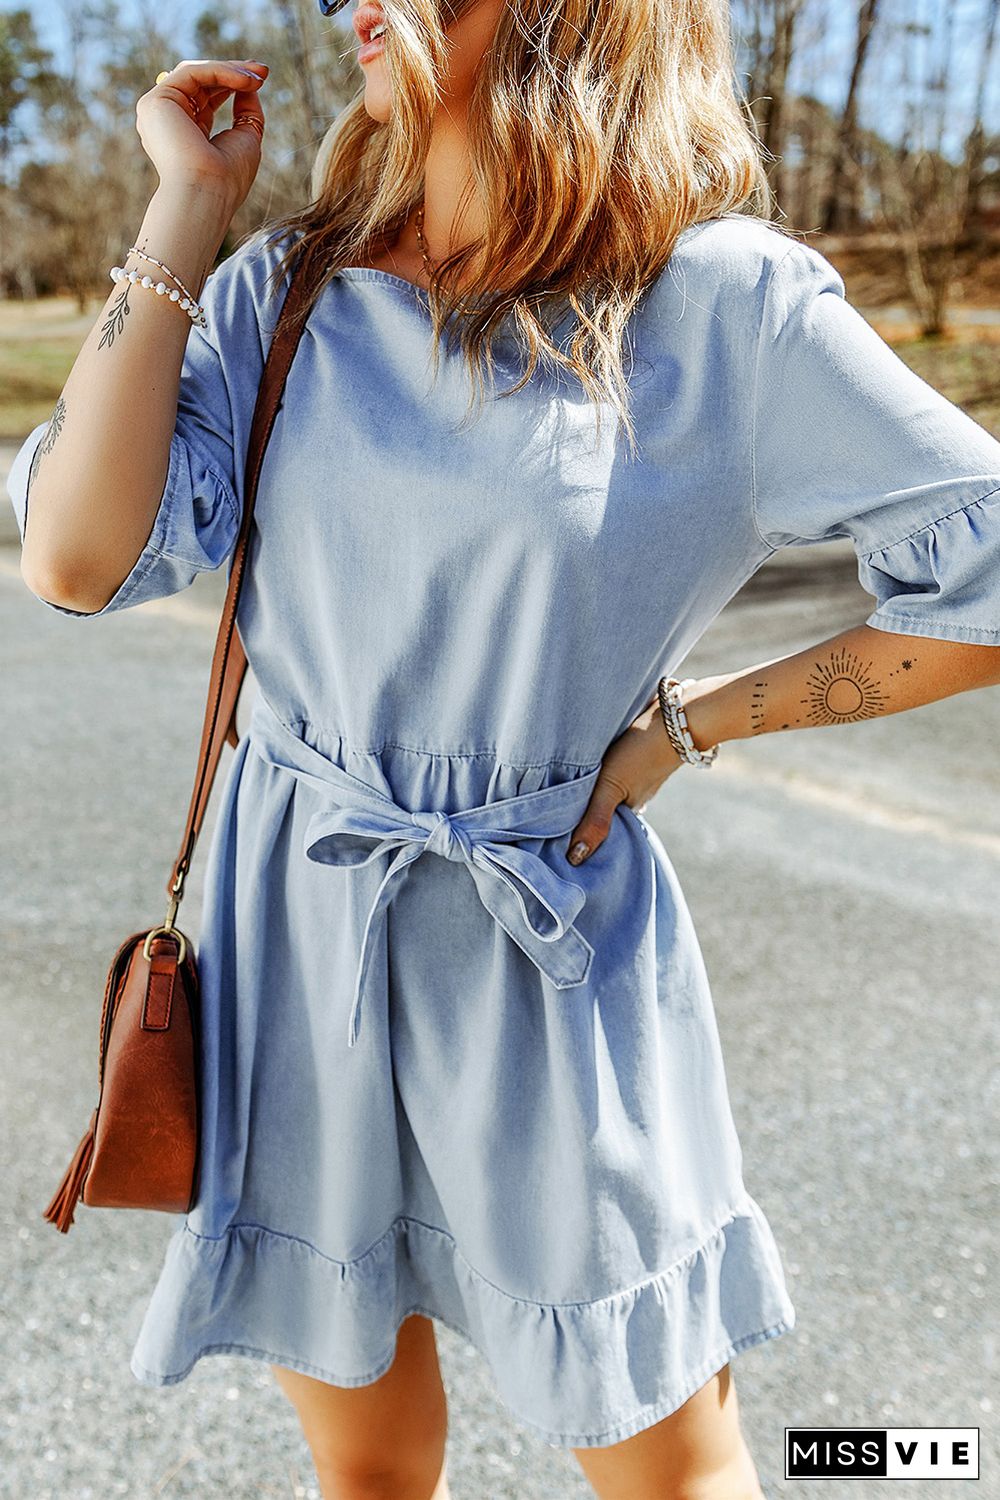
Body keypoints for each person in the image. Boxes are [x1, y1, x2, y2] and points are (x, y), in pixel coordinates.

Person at [8, 0, 1000, 1496]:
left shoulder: (723, 309)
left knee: (670, 1463)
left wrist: (693, 723)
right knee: (369, 1466)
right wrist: (187, 209)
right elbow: (77, 559)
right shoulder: (285, 289)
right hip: (299, 923)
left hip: (547, 951)